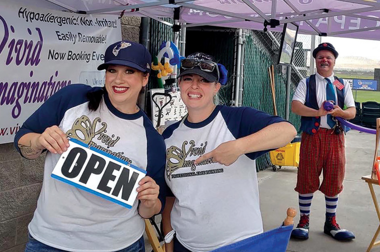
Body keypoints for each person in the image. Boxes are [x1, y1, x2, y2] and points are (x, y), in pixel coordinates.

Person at [14, 40, 166, 252]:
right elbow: (22, 141)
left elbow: (151, 207)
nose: (118, 79)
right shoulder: (73, 99)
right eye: (112, 70)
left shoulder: (152, 140)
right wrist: (38, 141)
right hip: (50, 241)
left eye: (129, 71)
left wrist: (150, 202)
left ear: (145, 78)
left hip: (118, 245)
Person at [161, 52, 297, 252]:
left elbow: (287, 131)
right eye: (188, 79)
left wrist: (239, 146)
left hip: (240, 244)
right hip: (186, 245)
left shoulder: (237, 120)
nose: (195, 86)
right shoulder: (169, 135)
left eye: (204, 80)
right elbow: (170, 199)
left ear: (217, 87)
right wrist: (168, 242)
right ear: (179, 84)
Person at [291, 42, 356, 241]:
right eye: (320, 57)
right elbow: (296, 106)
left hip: (335, 137)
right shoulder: (307, 82)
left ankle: (331, 222)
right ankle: (304, 221)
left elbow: (352, 112)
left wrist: (340, 112)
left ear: (334, 61)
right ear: (316, 61)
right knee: (307, 177)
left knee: (334, 178)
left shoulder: (342, 84)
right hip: (312, 136)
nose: (324, 60)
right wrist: (317, 112)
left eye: (328, 57)